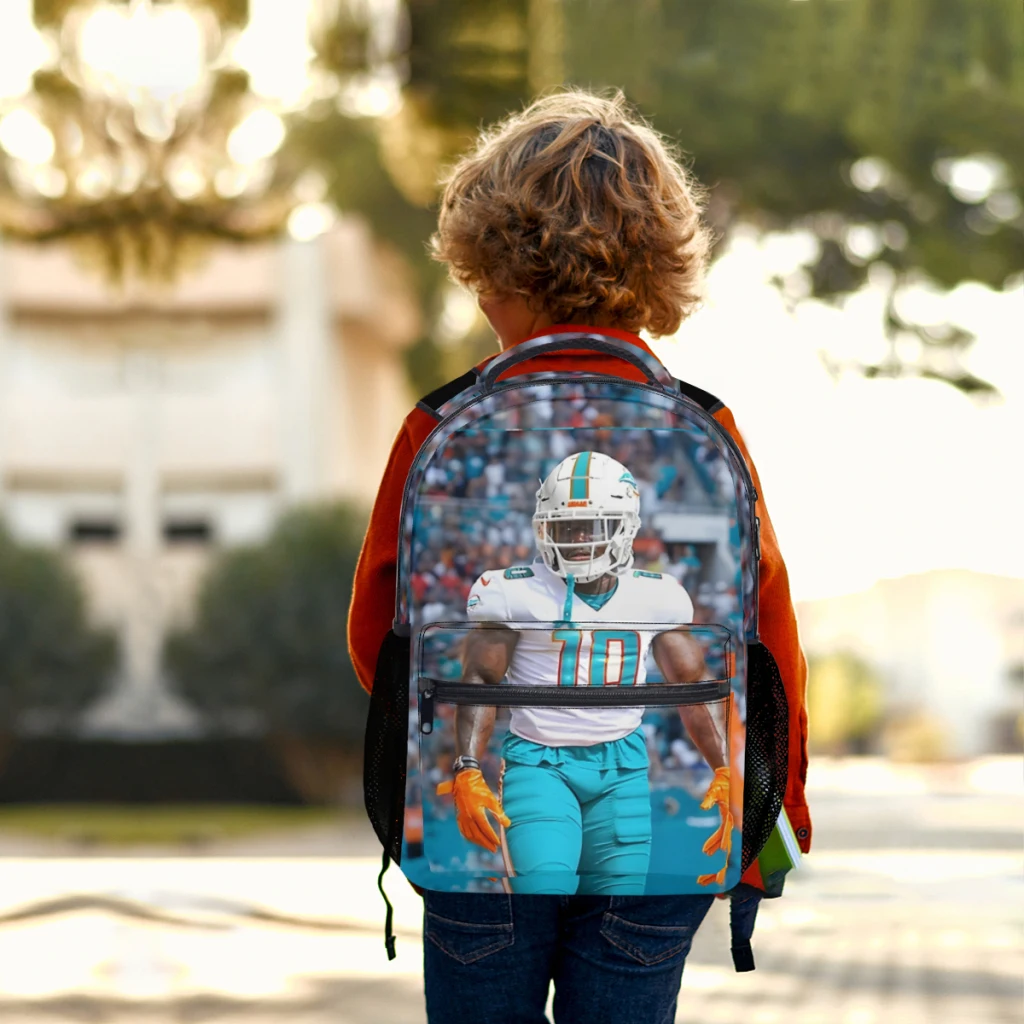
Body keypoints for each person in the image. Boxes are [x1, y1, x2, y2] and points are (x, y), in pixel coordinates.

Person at [349, 87, 809, 1024]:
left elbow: (376, 634)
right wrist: (776, 811)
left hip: (478, 833)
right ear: (661, 269)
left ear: (492, 270)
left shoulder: (439, 425)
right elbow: (767, 637)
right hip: (669, 833)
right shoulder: (705, 426)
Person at [440, 449, 733, 896]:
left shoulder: (657, 597)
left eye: (590, 526)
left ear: (625, 526)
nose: (576, 538)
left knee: (617, 907)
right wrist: (467, 768)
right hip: (538, 761)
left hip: (623, 765)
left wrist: (725, 769)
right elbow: (480, 680)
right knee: (542, 894)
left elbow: (692, 686)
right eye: (564, 527)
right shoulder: (514, 592)